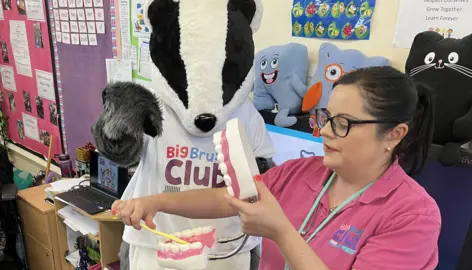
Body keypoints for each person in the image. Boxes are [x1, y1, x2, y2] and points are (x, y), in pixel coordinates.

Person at [113, 66, 441, 270]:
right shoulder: (303, 173)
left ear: (394, 134)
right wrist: (156, 202)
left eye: (343, 124)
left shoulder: (412, 215)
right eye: (325, 117)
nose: (324, 131)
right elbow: (228, 199)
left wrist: (281, 232)